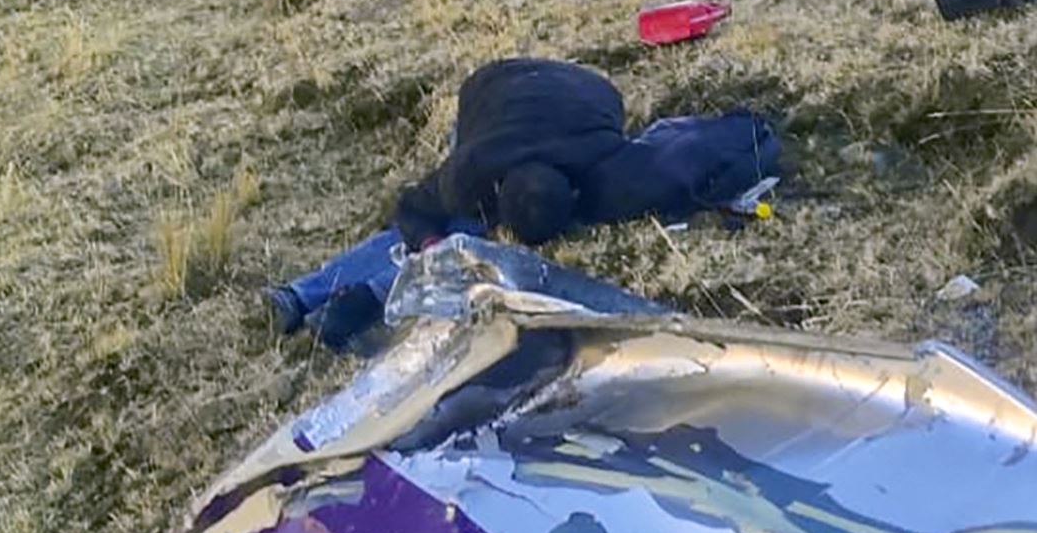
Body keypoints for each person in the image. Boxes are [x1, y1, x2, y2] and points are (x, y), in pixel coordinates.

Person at [264, 58, 781, 346]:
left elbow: (682, 161)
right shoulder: (470, 174)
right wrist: (432, 245)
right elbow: (412, 210)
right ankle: (303, 295)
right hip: (494, 89)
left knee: (469, 229)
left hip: (584, 90)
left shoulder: (607, 167)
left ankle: (315, 301)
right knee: (462, 225)